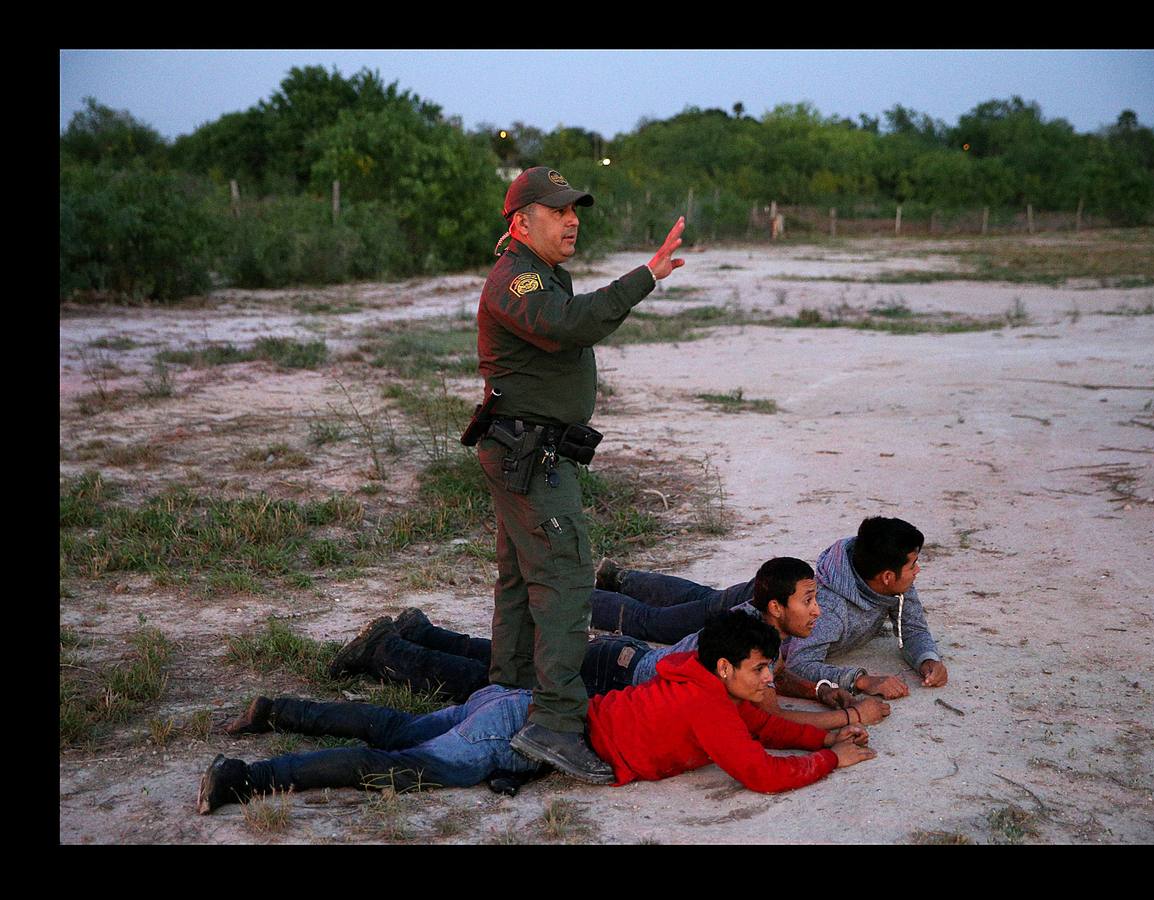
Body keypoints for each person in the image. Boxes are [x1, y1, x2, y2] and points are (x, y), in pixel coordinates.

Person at [196, 612, 876, 813]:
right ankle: (243, 781)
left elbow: (763, 726)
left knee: (396, 729)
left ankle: (273, 709)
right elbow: (757, 770)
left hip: (526, 708)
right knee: (394, 765)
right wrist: (828, 758)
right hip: (522, 736)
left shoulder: (695, 676)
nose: (771, 679)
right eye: (762, 669)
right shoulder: (713, 710)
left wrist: (827, 726)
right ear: (726, 668)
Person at [471, 165, 686, 783]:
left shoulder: (539, 274)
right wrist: (645, 276)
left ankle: (507, 697)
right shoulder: (516, 278)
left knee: (520, 578)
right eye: (559, 211)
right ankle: (557, 725)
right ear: (521, 220)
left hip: (532, 452)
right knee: (564, 581)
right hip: (530, 458)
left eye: (575, 210)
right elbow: (571, 325)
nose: (573, 220)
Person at [327, 558, 891, 732]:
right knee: (491, 685)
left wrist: (821, 689)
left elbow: (775, 682)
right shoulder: (755, 640)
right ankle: (386, 651)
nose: (819, 611)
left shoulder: (764, 637)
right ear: (775, 609)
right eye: (810, 601)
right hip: (619, 675)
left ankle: (417, 632)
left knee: (509, 668)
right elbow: (765, 711)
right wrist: (848, 716)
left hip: (623, 661)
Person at [591, 516, 948, 695]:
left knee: (698, 598)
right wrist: (859, 679)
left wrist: (926, 658)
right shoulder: (829, 612)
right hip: (757, 608)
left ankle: (619, 579)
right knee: (655, 623)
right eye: (912, 564)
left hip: (775, 597)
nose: (917, 570)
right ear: (886, 576)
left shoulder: (889, 581)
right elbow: (801, 662)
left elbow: (911, 626)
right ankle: (573, 597)